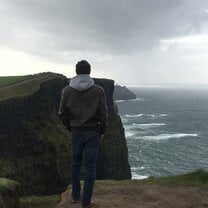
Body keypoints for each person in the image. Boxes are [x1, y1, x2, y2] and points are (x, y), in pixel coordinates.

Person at [58, 60, 108, 208]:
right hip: (92, 132)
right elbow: (104, 114)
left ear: (76, 71)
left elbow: (61, 113)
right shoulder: (98, 90)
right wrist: (102, 131)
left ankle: (75, 196)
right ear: (89, 71)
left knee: (75, 164)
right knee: (91, 167)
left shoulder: (66, 91)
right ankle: (86, 202)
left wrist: (70, 127)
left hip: (76, 131)